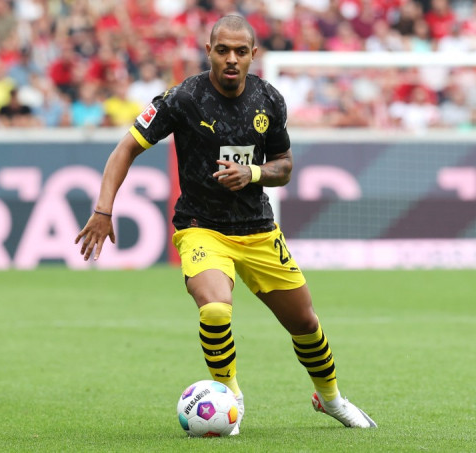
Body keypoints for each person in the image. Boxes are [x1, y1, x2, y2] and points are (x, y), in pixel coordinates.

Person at [75, 15, 376, 434]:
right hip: (202, 227)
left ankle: (331, 399)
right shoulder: (183, 98)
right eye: (222, 50)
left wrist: (252, 173)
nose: (231, 59)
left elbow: (284, 166)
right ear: (209, 52)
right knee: (215, 308)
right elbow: (125, 148)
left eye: (240, 51)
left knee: (305, 323)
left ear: (253, 54)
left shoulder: (269, 100)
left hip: (258, 230)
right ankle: (229, 399)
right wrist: (103, 210)